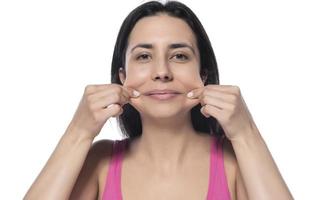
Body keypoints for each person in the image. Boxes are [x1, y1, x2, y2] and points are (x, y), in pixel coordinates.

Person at [24, 1, 293, 199]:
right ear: (122, 77)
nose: (162, 72)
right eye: (143, 56)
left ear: (203, 75)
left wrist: (246, 133)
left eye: (179, 56)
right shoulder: (100, 162)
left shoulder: (234, 162)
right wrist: (78, 132)